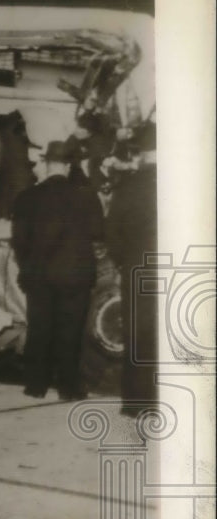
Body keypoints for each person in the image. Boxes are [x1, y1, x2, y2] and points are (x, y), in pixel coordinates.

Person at [11, 139, 104, 400]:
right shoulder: (86, 196)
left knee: (39, 328)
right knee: (71, 330)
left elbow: (18, 241)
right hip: (75, 274)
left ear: (46, 163)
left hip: (38, 274)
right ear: (69, 166)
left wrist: (28, 266)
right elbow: (99, 232)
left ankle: (35, 385)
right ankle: (69, 387)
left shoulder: (27, 197)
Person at [104, 122, 159, 417]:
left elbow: (112, 232)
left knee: (137, 334)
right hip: (173, 267)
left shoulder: (129, 187)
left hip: (137, 269)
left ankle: (136, 402)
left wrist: (122, 262)